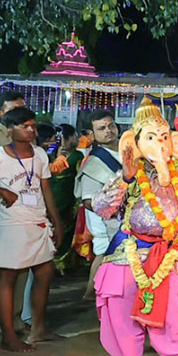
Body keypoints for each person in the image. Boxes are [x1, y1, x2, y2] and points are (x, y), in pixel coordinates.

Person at [91, 98, 178, 356]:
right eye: (151, 138)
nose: (159, 144)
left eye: (164, 137)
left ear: (173, 142)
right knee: (125, 323)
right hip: (127, 257)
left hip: (167, 256)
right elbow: (101, 208)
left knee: (173, 325)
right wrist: (125, 178)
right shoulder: (128, 176)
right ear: (136, 143)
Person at [0, 108, 64, 351]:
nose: (31, 130)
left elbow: (45, 189)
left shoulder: (39, 155)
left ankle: (38, 329)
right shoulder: (1, 155)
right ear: (9, 130)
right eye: (25, 126)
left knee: (45, 273)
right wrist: (1, 190)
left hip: (37, 222)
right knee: (8, 279)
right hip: (12, 224)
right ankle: (8, 336)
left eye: (33, 126)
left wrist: (56, 222)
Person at [74, 109, 123, 294]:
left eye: (111, 125)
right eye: (101, 128)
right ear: (93, 135)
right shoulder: (94, 163)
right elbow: (89, 201)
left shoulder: (131, 151)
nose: (108, 130)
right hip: (114, 224)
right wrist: (115, 203)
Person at [48, 123, 83, 249]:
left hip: (67, 200)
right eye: (75, 136)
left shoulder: (77, 156)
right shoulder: (50, 155)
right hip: (54, 198)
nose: (77, 139)